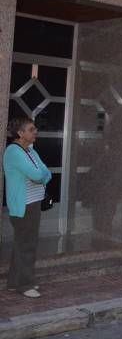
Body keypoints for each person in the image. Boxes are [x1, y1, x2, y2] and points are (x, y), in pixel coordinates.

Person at [3, 117, 52, 299]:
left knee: (20, 244)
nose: (35, 131)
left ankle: (14, 281)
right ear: (20, 133)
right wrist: (40, 175)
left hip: (34, 203)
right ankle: (25, 284)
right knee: (27, 245)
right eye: (31, 129)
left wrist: (40, 175)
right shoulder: (14, 152)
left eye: (35, 129)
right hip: (24, 206)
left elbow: (45, 172)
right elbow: (36, 174)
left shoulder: (30, 151)